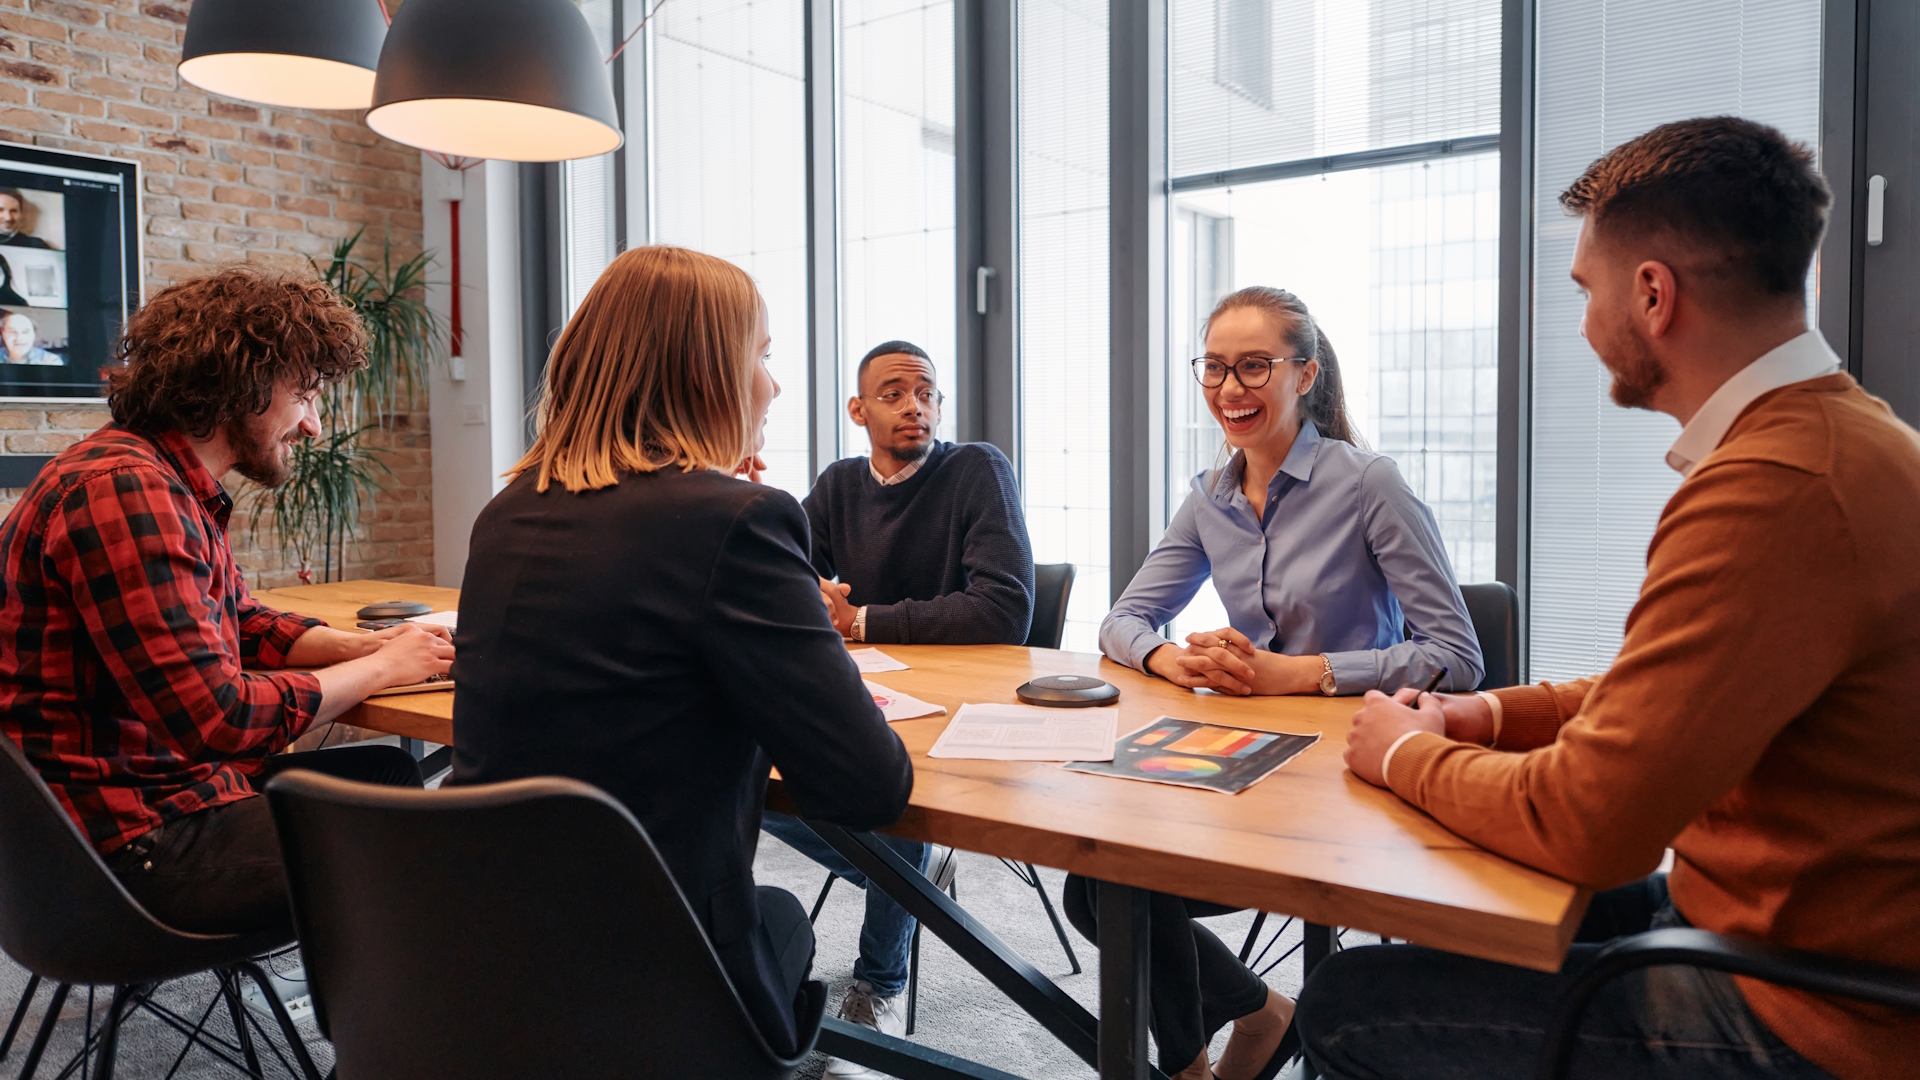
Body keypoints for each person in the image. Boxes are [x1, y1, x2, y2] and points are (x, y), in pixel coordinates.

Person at [1312, 117, 1920, 1080]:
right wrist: (1490, 713)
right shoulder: (1844, 443)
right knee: (1473, 909)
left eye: (1585, 290)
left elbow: (1587, 827)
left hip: (1800, 1015)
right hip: (1776, 936)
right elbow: (1665, 697)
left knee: (1348, 1008)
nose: (1585, 322)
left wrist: (1406, 754)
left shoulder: (1776, 488)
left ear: (1652, 294)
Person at [449, 245, 913, 1061]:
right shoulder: (737, 522)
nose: (773, 382)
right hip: (652, 979)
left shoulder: (509, 510)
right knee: (777, 920)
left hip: (479, 958)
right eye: (763, 355)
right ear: (708, 374)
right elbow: (867, 784)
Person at [1072, 286, 1484, 1080]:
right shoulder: (1210, 497)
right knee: (1101, 879)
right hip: (1238, 751)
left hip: (1346, 770)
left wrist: (1297, 673)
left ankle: (1213, 1054)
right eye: (1216, 368)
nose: (1231, 389)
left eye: (1254, 366)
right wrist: (1171, 660)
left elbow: (1458, 656)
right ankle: (1256, 1019)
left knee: (1126, 881)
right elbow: (1121, 620)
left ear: (1305, 374)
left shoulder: (1369, 484)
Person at [0, 269, 455, 937]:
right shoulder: (129, 492)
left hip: (117, 814)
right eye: (303, 395)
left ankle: (372, 999)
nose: (313, 424)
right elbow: (219, 719)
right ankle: (400, 1034)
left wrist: (364, 647)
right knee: (437, 850)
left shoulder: (151, 477)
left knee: (384, 772)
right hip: (126, 851)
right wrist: (382, 672)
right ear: (240, 383)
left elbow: (239, 620)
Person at [762, 339, 1034, 1076]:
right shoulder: (841, 483)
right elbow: (789, 567)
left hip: (962, 700)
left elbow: (1004, 609)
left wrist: (864, 619)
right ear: (858, 409)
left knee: (893, 800)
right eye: (894, 392)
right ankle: (907, 872)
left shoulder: (975, 467)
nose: (916, 405)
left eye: (927, 392)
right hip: (876, 688)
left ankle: (878, 980)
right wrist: (812, 594)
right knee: (747, 774)